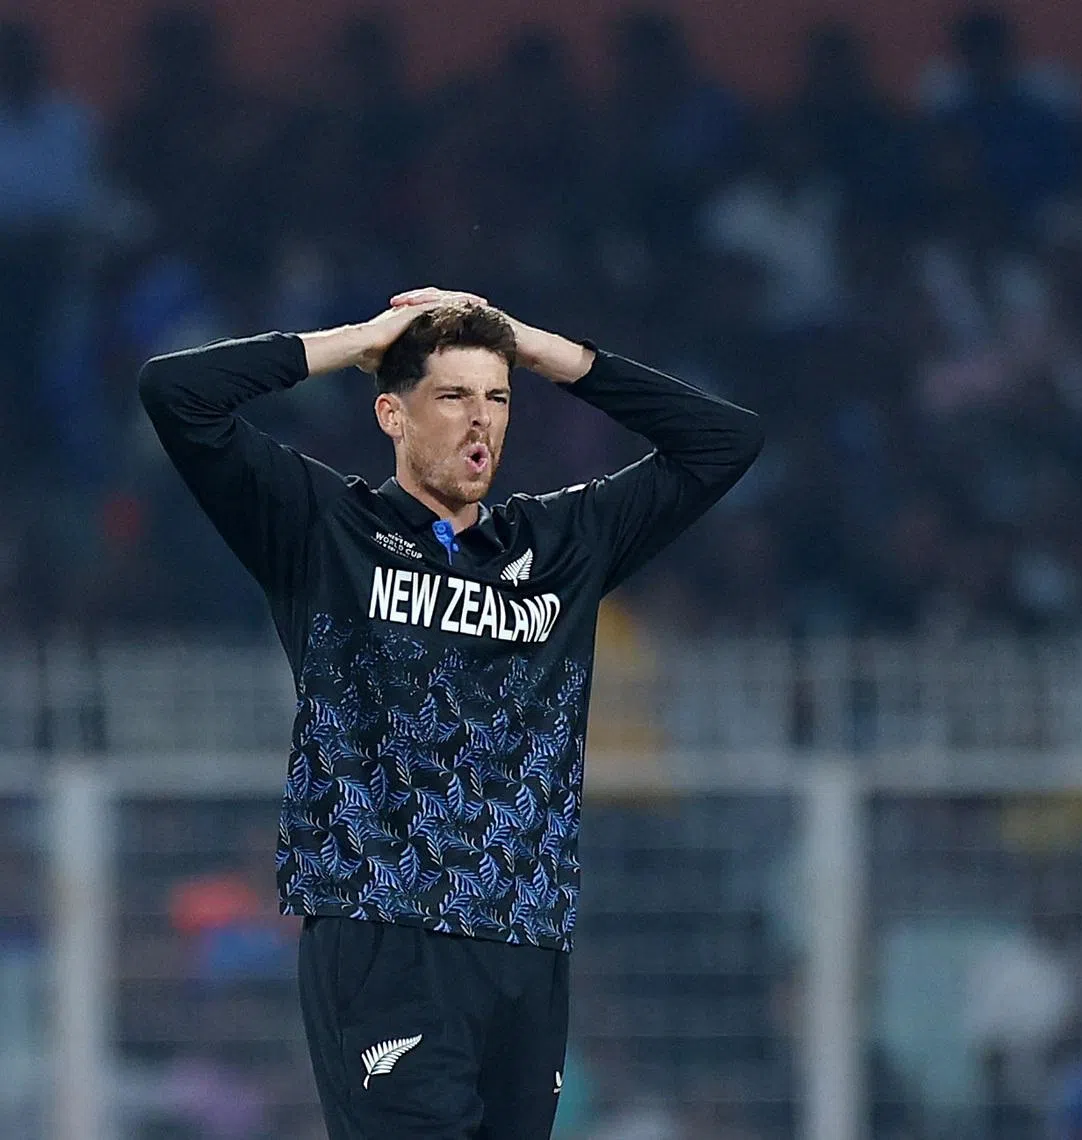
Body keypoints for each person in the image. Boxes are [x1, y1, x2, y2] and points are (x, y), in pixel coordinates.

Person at [138, 286, 764, 1138]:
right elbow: (177, 394)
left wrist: (541, 348)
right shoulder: (326, 529)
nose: (481, 421)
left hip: (526, 939)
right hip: (383, 930)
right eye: (453, 396)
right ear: (391, 414)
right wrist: (359, 340)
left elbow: (725, 441)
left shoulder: (560, 545)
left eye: (498, 398)